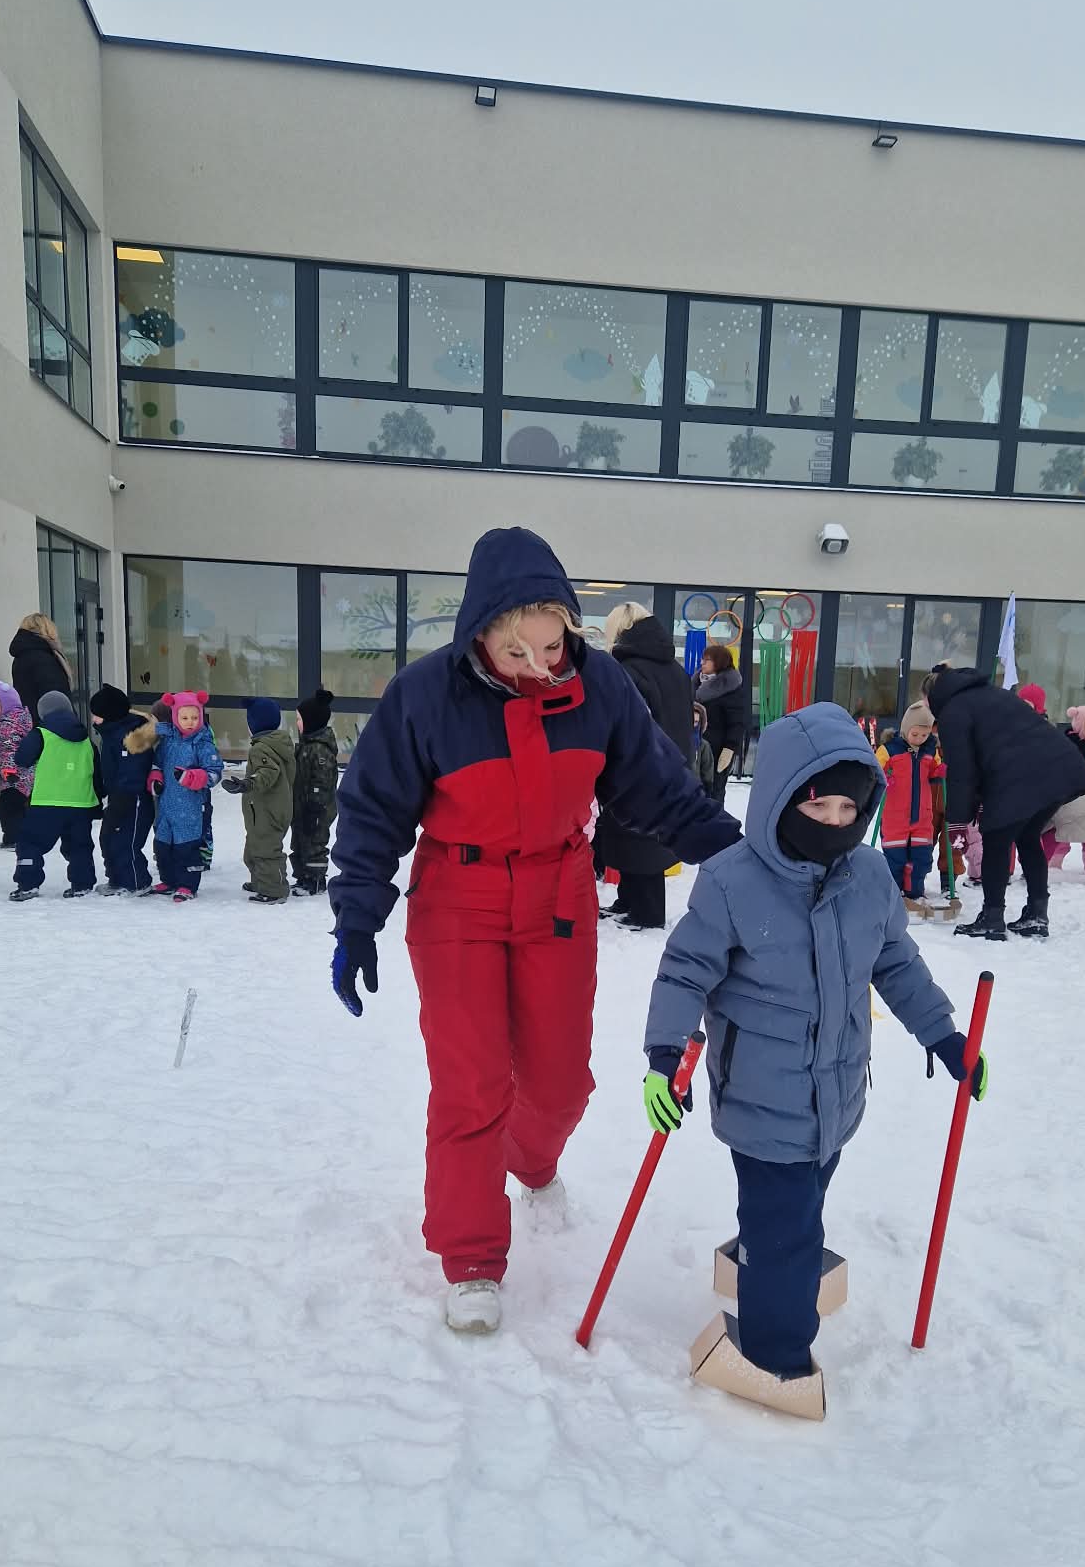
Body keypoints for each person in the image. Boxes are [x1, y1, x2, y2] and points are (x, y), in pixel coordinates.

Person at [329, 525, 741, 1336]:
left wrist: (740, 859)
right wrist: (356, 918)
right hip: (460, 896)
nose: (542, 667)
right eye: (520, 653)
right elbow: (373, 810)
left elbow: (659, 789)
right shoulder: (425, 696)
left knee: (558, 1083)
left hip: (558, 892)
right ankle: (472, 1256)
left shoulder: (600, 687)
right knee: (472, 1083)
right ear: (481, 635)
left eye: (554, 647)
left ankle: (531, 1159)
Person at [641, 705, 984, 1421]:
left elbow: (896, 962)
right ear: (779, 800)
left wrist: (944, 1037)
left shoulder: (868, 875)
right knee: (789, 1226)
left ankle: (765, 1257)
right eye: (817, 805)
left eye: (847, 809)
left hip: (837, 1091)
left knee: (799, 1205)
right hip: (762, 1098)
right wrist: (664, 1054)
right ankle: (777, 1354)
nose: (833, 821)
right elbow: (684, 971)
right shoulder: (732, 881)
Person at [924, 663, 1085, 941]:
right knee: (1027, 836)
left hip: (1022, 776)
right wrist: (978, 802)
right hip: (1061, 768)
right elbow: (989, 753)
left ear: (933, 696)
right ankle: (1037, 914)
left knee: (996, 840)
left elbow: (962, 771)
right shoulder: (993, 694)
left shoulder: (953, 711)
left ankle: (992, 917)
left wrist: (957, 821)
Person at [596, 600, 696, 931]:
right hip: (672, 765)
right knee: (645, 839)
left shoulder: (628, 671)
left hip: (640, 767)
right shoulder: (674, 670)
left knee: (637, 839)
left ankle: (646, 911)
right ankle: (630, 901)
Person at [9, 689, 100, 900]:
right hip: (81, 803)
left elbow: (22, 759)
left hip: (47, 802)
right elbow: (96, 772)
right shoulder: (86, 739)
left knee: (30, 843)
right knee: (79, 846)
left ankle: (28, 884)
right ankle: (82, 884)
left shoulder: (40, 734)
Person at [147, 690, 223, 901]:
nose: (190, 722)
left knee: (186, 847)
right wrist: (155, 779)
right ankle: (168, 879)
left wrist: (194, 777)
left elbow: (214, 772)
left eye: (195, 717)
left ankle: (187, 884)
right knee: (163, 845)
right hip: (166, 804)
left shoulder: (202, 743)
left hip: (189, 806)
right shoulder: (168, 741)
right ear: (175, 717)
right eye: (185, 717)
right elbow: (157, 764)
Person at [222, 697, 295, 904]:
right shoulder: (278, 744)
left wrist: (247, 784)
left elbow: (268, 772)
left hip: (267, 809)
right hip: (268, 808)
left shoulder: (261, 748)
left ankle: (274, 890)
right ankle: (261, 881)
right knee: (254, 848)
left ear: (253, 724)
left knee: (266, 850)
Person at [875, 700, 945, 912]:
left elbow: (935, 770)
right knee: (895, 859)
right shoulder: (889, 750)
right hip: (895, 816)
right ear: (906, 729)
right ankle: (895, 893)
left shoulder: (929, 750)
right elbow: (874, 769)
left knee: (921, 857)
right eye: (915, 734)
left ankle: (915, 893)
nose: (920, 739)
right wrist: (883, 777)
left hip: (922, 816)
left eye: (924, 735)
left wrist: (940, 771)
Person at [87, 685, 156, 894]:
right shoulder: (111, 733)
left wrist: (124, 796)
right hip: (117, 795)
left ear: (109, 714)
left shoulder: (130, 737)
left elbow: (133, 770)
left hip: (133, 799)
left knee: (126, 842)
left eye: (97, 714)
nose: (93, 719)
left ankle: (136, 882)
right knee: (108, 838)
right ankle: (116, 879)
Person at [291, 685, 339, 896]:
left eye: (299, 719)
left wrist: (315, 805)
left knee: (315, 844)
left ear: (311, 720)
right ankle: (302, 876)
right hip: (302, 805)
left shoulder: (319, 749)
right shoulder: (305, 745)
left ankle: (316, 881)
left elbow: (323, 780)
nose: (297, 723)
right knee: (299, 841)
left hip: (317, 808)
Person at [697, 643, 746, 804]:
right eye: (702, 659)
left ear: (719, 662)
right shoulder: (696, 683)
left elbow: (737, 723)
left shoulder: (730, 688)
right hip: (695, 747)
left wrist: (729, 748)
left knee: (714, 790)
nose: (702, 663)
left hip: (717, 750)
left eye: (707, 660)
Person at [0, 681, 34, 849]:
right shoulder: (19, 719)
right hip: (24, 773)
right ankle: (22, 835)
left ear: (6, 704)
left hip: (13, 775)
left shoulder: (7, 724)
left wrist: (8, 769)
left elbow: (8, 747)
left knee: (8, 809)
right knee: (19, 807)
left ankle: (13, 839)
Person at [9, 612, 73, 721]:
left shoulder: (21, 656)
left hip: (30, 721)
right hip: (49, 723)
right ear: (47, 630)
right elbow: (55, 695)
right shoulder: (43, 658)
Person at [691, 702, 716, 795]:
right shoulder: (674, 740)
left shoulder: (703, 745)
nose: (693, 725)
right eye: (691, 720)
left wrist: (706, 792)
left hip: (696, 793)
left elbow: (707, 772)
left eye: (696, 722)